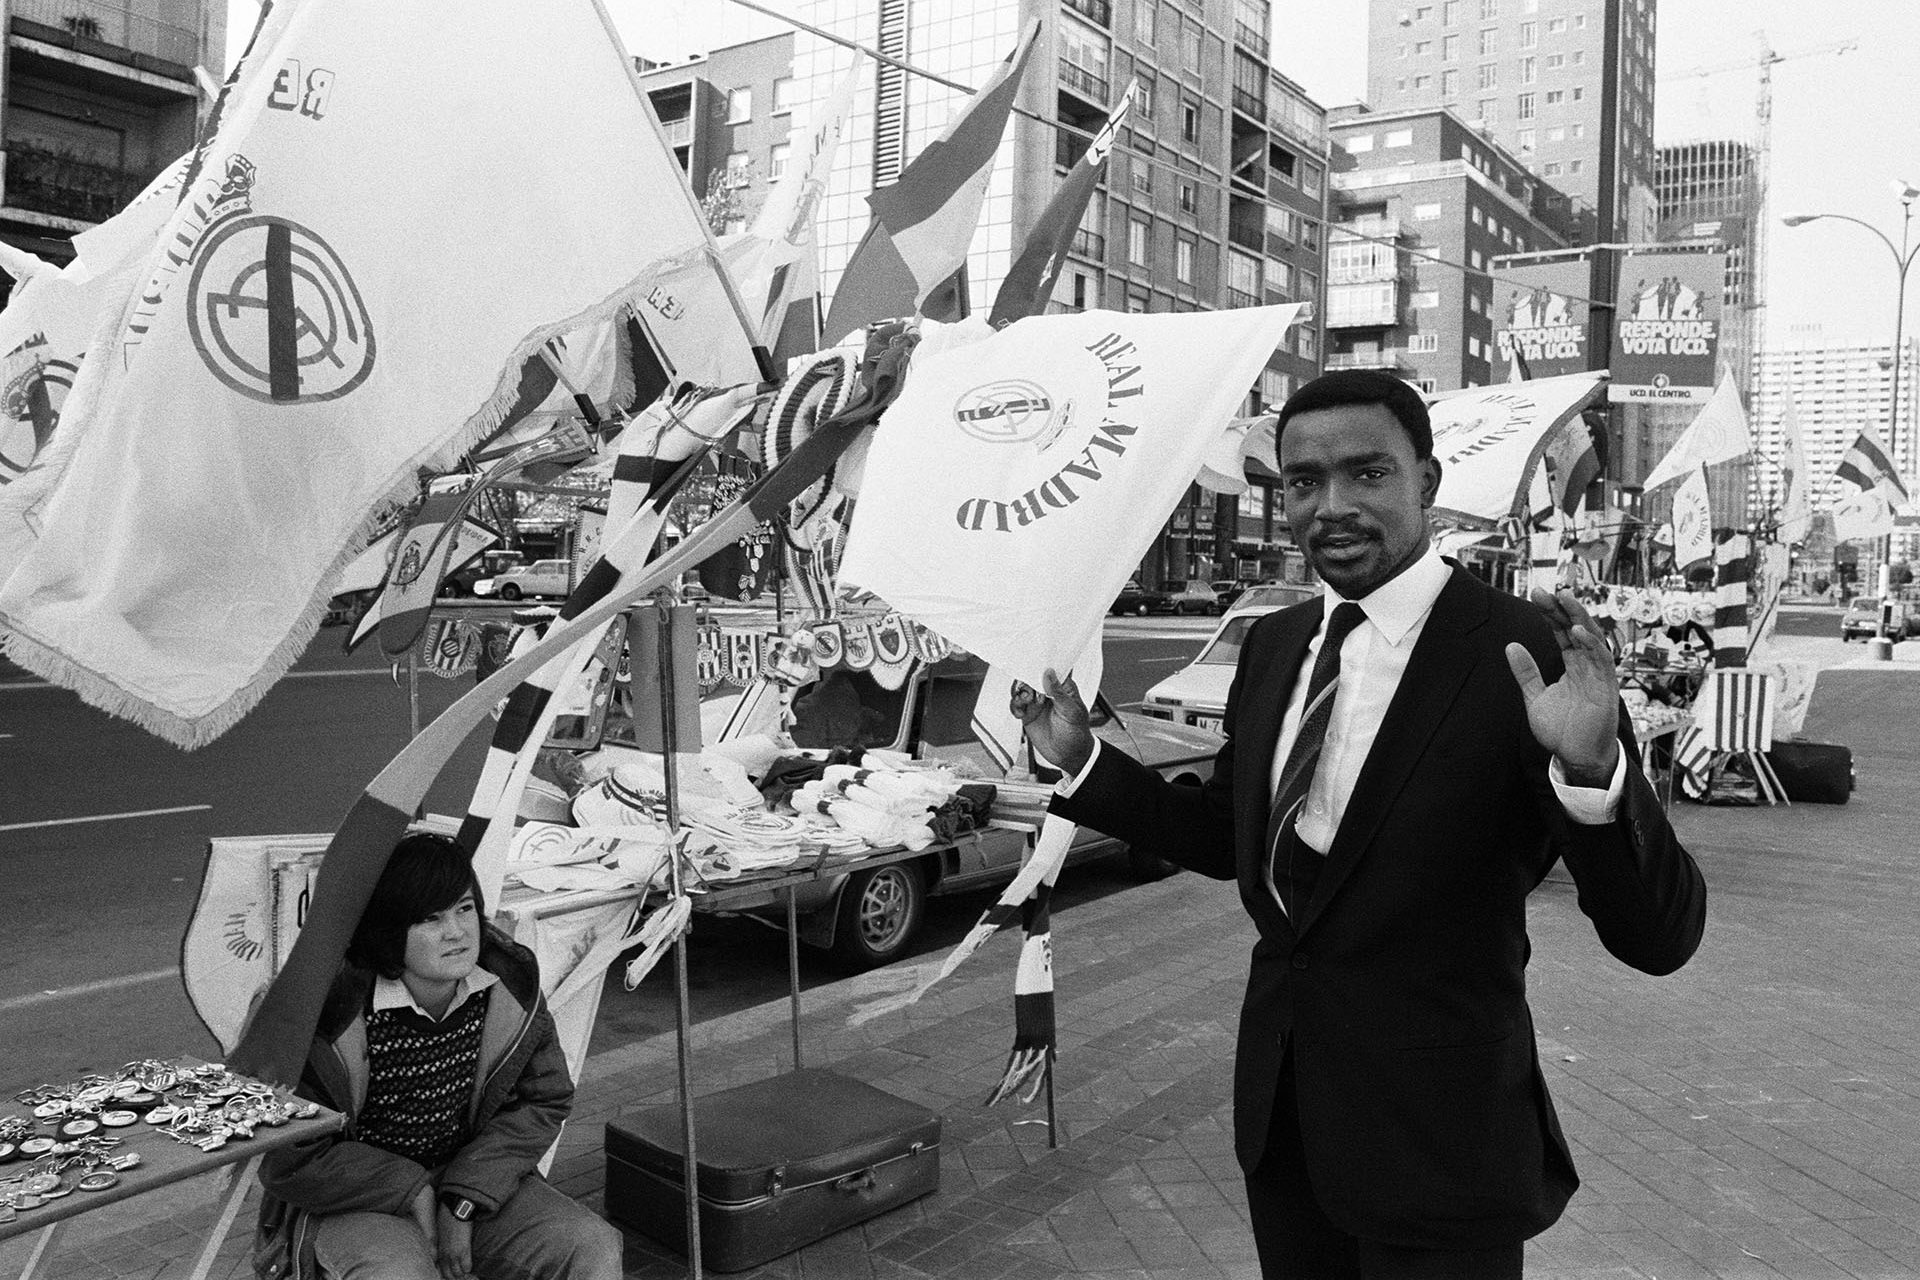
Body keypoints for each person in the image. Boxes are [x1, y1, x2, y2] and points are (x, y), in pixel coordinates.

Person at [1012, 370, 1706, 1279]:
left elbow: (1658, 937)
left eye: (1366, 474)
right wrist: (1084, 763)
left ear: (1428, 480)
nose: (1330, 506)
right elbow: (1232, 837)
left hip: (1443, 1142)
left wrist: (1591, 766)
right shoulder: (1272, 643)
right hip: (1288, 1119)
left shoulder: (1518, 654)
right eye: (1303, 482)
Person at [253, 832, 623, 1280]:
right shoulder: (327, 1010)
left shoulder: (509, 981)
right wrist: (412, 1191)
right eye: (430, 919)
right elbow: (288, 1156)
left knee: (590, 1245)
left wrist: (464, 1200)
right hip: (354, 1197)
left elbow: (542, 1100)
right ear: (389, 930)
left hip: (470, 1177)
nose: (457, 932)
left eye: (465, 908)